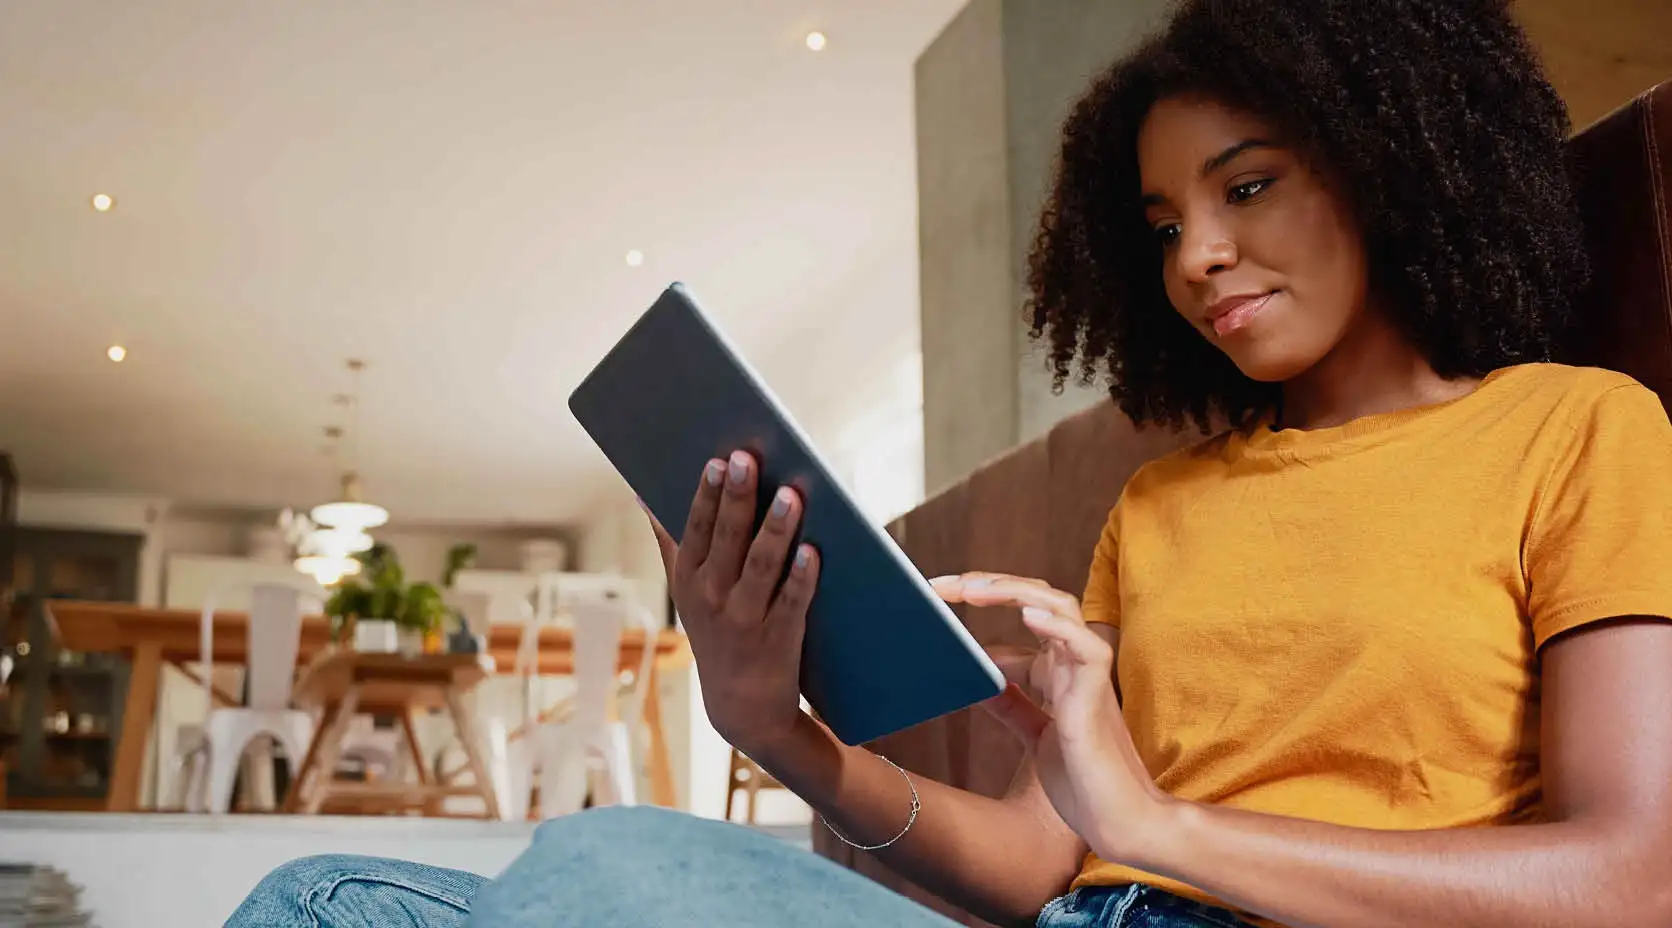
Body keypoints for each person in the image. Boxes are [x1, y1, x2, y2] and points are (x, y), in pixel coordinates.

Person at [229, 0, 1672, 925]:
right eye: (1164, 226)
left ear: (1389, 158)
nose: (1199, 256)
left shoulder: (1573, 432)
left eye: (1246, 187)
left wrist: (1161, 827)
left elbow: (1631, 879)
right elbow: (1044, 865)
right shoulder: (1163, 508)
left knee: (603, 866)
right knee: (325, 898)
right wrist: (776, 732)